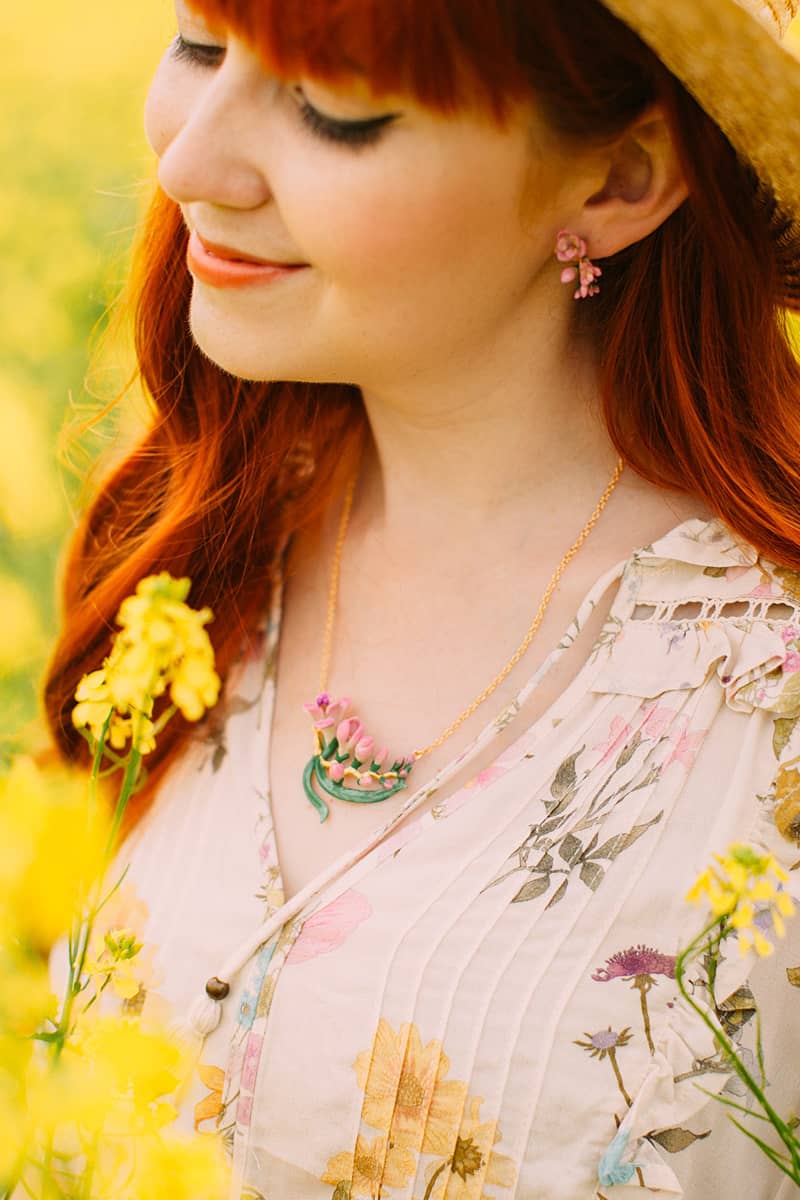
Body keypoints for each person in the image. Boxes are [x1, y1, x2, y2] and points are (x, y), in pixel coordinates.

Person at [43, 0, 800, 1195]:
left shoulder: (769, 719)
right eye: (197, 43)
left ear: (619, 177)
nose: (186, 160)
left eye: (333, 108)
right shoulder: (195, 551)